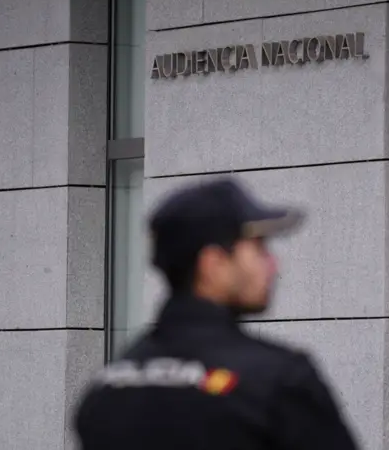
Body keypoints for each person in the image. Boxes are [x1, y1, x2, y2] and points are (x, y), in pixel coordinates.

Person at [73, 178, 358, 449]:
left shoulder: (106, 389)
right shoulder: (279, 382)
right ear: (214, 263)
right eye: (258, 249)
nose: (272, 265)